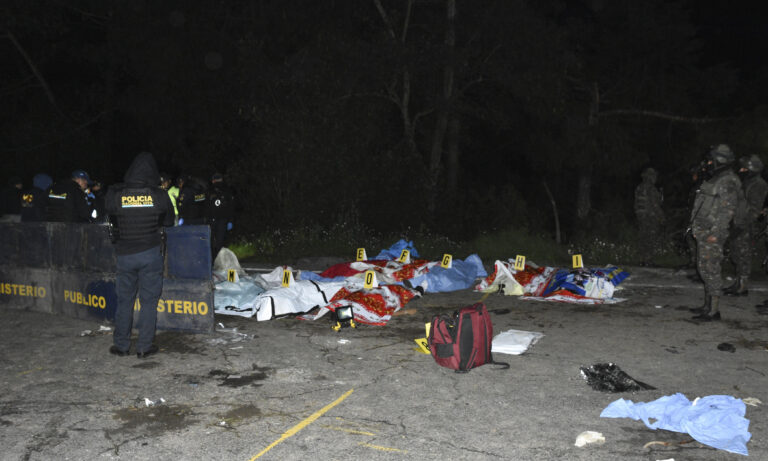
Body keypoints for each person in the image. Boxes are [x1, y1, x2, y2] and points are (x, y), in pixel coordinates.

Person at [105, 152, 174, 358]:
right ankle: (144, 347)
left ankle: (121, 346)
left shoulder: (116, 193)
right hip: (150, 254)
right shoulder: (158, 194)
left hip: (125, 254)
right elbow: (169, 221)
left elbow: (108, 213)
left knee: (124, 300)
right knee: (149, 302)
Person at [689, 144, 742, 321]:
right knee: (704, 268)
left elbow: (728, 210)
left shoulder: (727, 180)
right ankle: (707, 305)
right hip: (704, 230)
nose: (709, 162)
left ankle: (714, 311)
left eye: (712, 159)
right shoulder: (716, 178)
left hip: (713, 232)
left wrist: (716, 232)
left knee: (711, 269)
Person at [724, 155, 768, 296]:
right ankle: (738, 283)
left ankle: (742, 286)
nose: (741, 170)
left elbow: (754, 209)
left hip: (746, 225)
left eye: (745, 168)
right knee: (737, 254)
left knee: (744, 255)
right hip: (737, 221)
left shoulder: (758, 184)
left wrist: (741, 225)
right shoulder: (746, 182)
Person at [634, 167, 664, 266]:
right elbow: (655, 204)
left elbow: (636, 204)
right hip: (650, 217)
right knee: (650, 238)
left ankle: (641, 260)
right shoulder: (651, 188)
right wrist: (661, 216)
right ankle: (648, 260)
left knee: (642, 238)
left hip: (641, 216)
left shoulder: (639, 187)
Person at [206, 172, 235, 258]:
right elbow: (231, 207)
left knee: (211, 241)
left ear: (213, 180)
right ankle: (221, 260)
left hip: (212, 220)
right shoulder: (227, 190)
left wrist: (206, 219)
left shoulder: (209, 190)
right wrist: (230, 220)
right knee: (221, 241)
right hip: (223, 219)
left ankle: (213, 260)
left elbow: (205, 206)